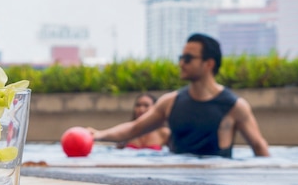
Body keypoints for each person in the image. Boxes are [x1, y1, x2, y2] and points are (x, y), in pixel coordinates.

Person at [88, 33, 270, 158]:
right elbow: (135, 128)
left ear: (208, 63)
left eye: (188, 59)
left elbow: (259, 147)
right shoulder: (170, 102)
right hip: (178, 183)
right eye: (181, 58)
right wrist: (98, 135)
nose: (181, 63)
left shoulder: (235, 106)